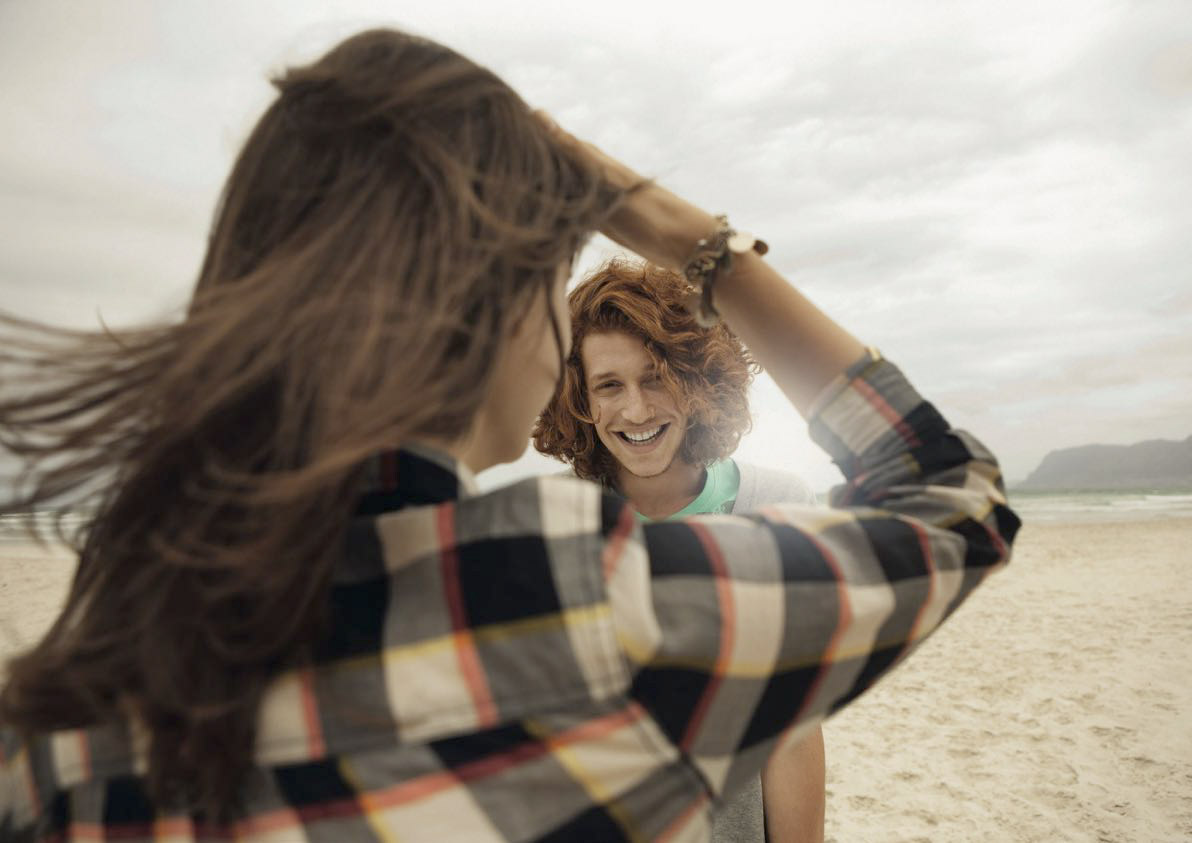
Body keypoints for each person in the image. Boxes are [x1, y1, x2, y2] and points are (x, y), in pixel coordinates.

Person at [0, 28, 1019, 842]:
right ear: (489, 304)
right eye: (553, 283)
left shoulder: (65, 708)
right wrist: (687, 237)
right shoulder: (567, 600)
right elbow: (953, 496)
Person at [533, 258, 825, 842]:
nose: (636, 410)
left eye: (656, 378)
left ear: (697, 382)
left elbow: (792, 728)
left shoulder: (780, 507)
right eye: (609, 385)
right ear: (578, 399)